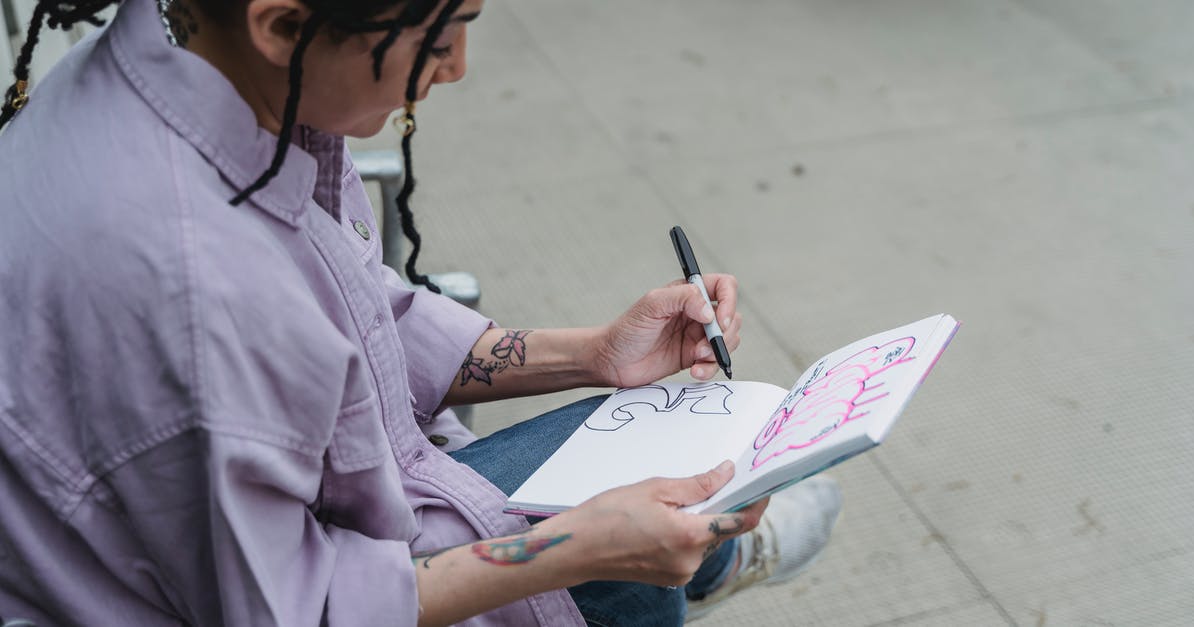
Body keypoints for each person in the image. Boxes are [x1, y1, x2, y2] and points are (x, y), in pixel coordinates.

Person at [0, 0, 842, 625]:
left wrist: (595, 352)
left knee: (637, 500)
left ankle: (691, 566)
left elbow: (352, 310)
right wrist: (576, 549)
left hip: (295, 534)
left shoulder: (179, 59)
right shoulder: (199, 287)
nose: (458, 66)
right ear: (282, 24)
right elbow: (297, 610)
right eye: (437, 35)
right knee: (625, 550)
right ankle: (691, 570)